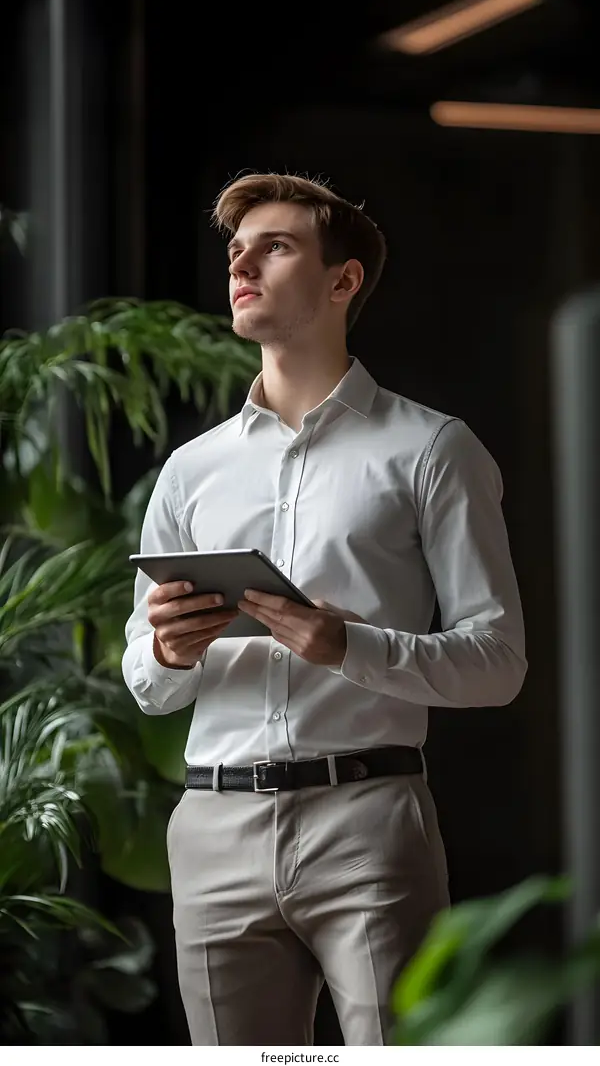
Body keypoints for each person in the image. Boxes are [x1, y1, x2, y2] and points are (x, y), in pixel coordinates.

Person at [122, 173, 527, 1047]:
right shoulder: (191, 471)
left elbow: (499, 661)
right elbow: (146, 684)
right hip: (212, 826)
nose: (241, 262)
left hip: (370, 820)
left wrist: (348, 644)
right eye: (236, 249)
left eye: (275, 245)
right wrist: (170, 652)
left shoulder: (430, 449)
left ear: (343, 282)